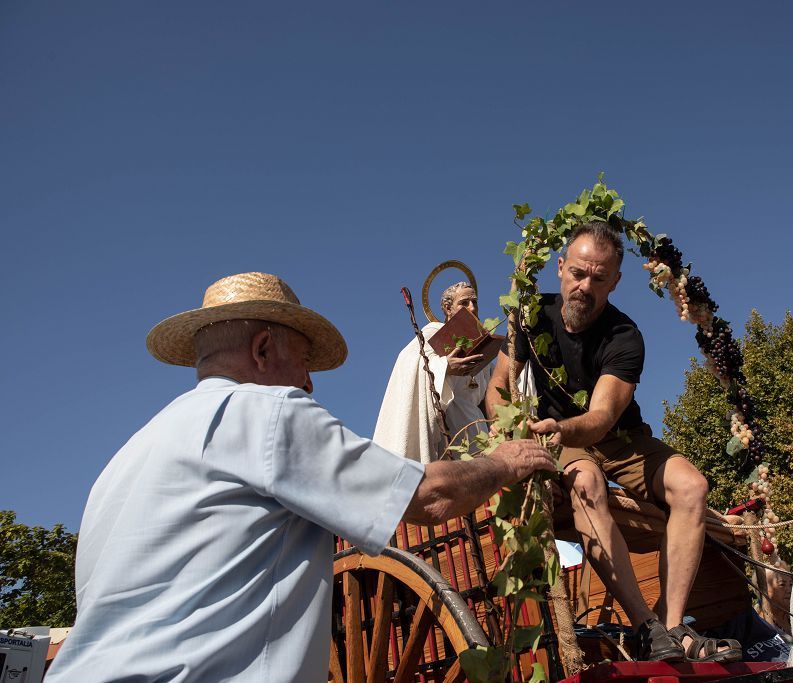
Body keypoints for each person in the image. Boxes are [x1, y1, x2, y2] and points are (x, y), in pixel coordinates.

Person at [46, 272, 554, 683]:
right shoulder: (265, 411)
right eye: (305, 361)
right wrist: (506, 462)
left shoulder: (126, 457)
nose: (310, 382)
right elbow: (428, 496)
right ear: (263, 349)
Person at [486, 222, 741, 663]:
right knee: (587, 485)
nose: (585, 286)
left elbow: (602, 417)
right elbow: (497, 387)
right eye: (578, 273)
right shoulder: (527, 316)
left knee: (692, 487)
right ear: (560, 266)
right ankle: (645, 626)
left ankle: (671, 625)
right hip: (559, 439)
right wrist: (503, 423)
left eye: (599, 278)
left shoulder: (625, 336)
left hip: (616, 436)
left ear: (615, 281)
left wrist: (563, 429)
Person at [374, 281, 491, 462]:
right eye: (464, 303)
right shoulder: (433, 332)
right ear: (447, 308)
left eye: (475, 302)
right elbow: (409, 360)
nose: (473, 307)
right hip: (447, 426)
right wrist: (445, 366)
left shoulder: (482, 342)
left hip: (477, 427)